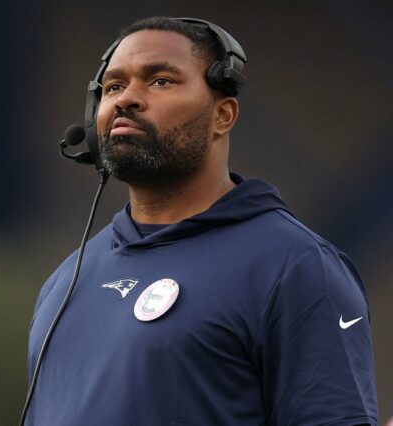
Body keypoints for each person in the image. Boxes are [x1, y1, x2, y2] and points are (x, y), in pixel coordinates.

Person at [26, 16, 378, 425]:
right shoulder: (66, 280)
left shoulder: (295, 267)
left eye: (160, 81)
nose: (127, 99)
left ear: (223, 115)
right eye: (114, 86)